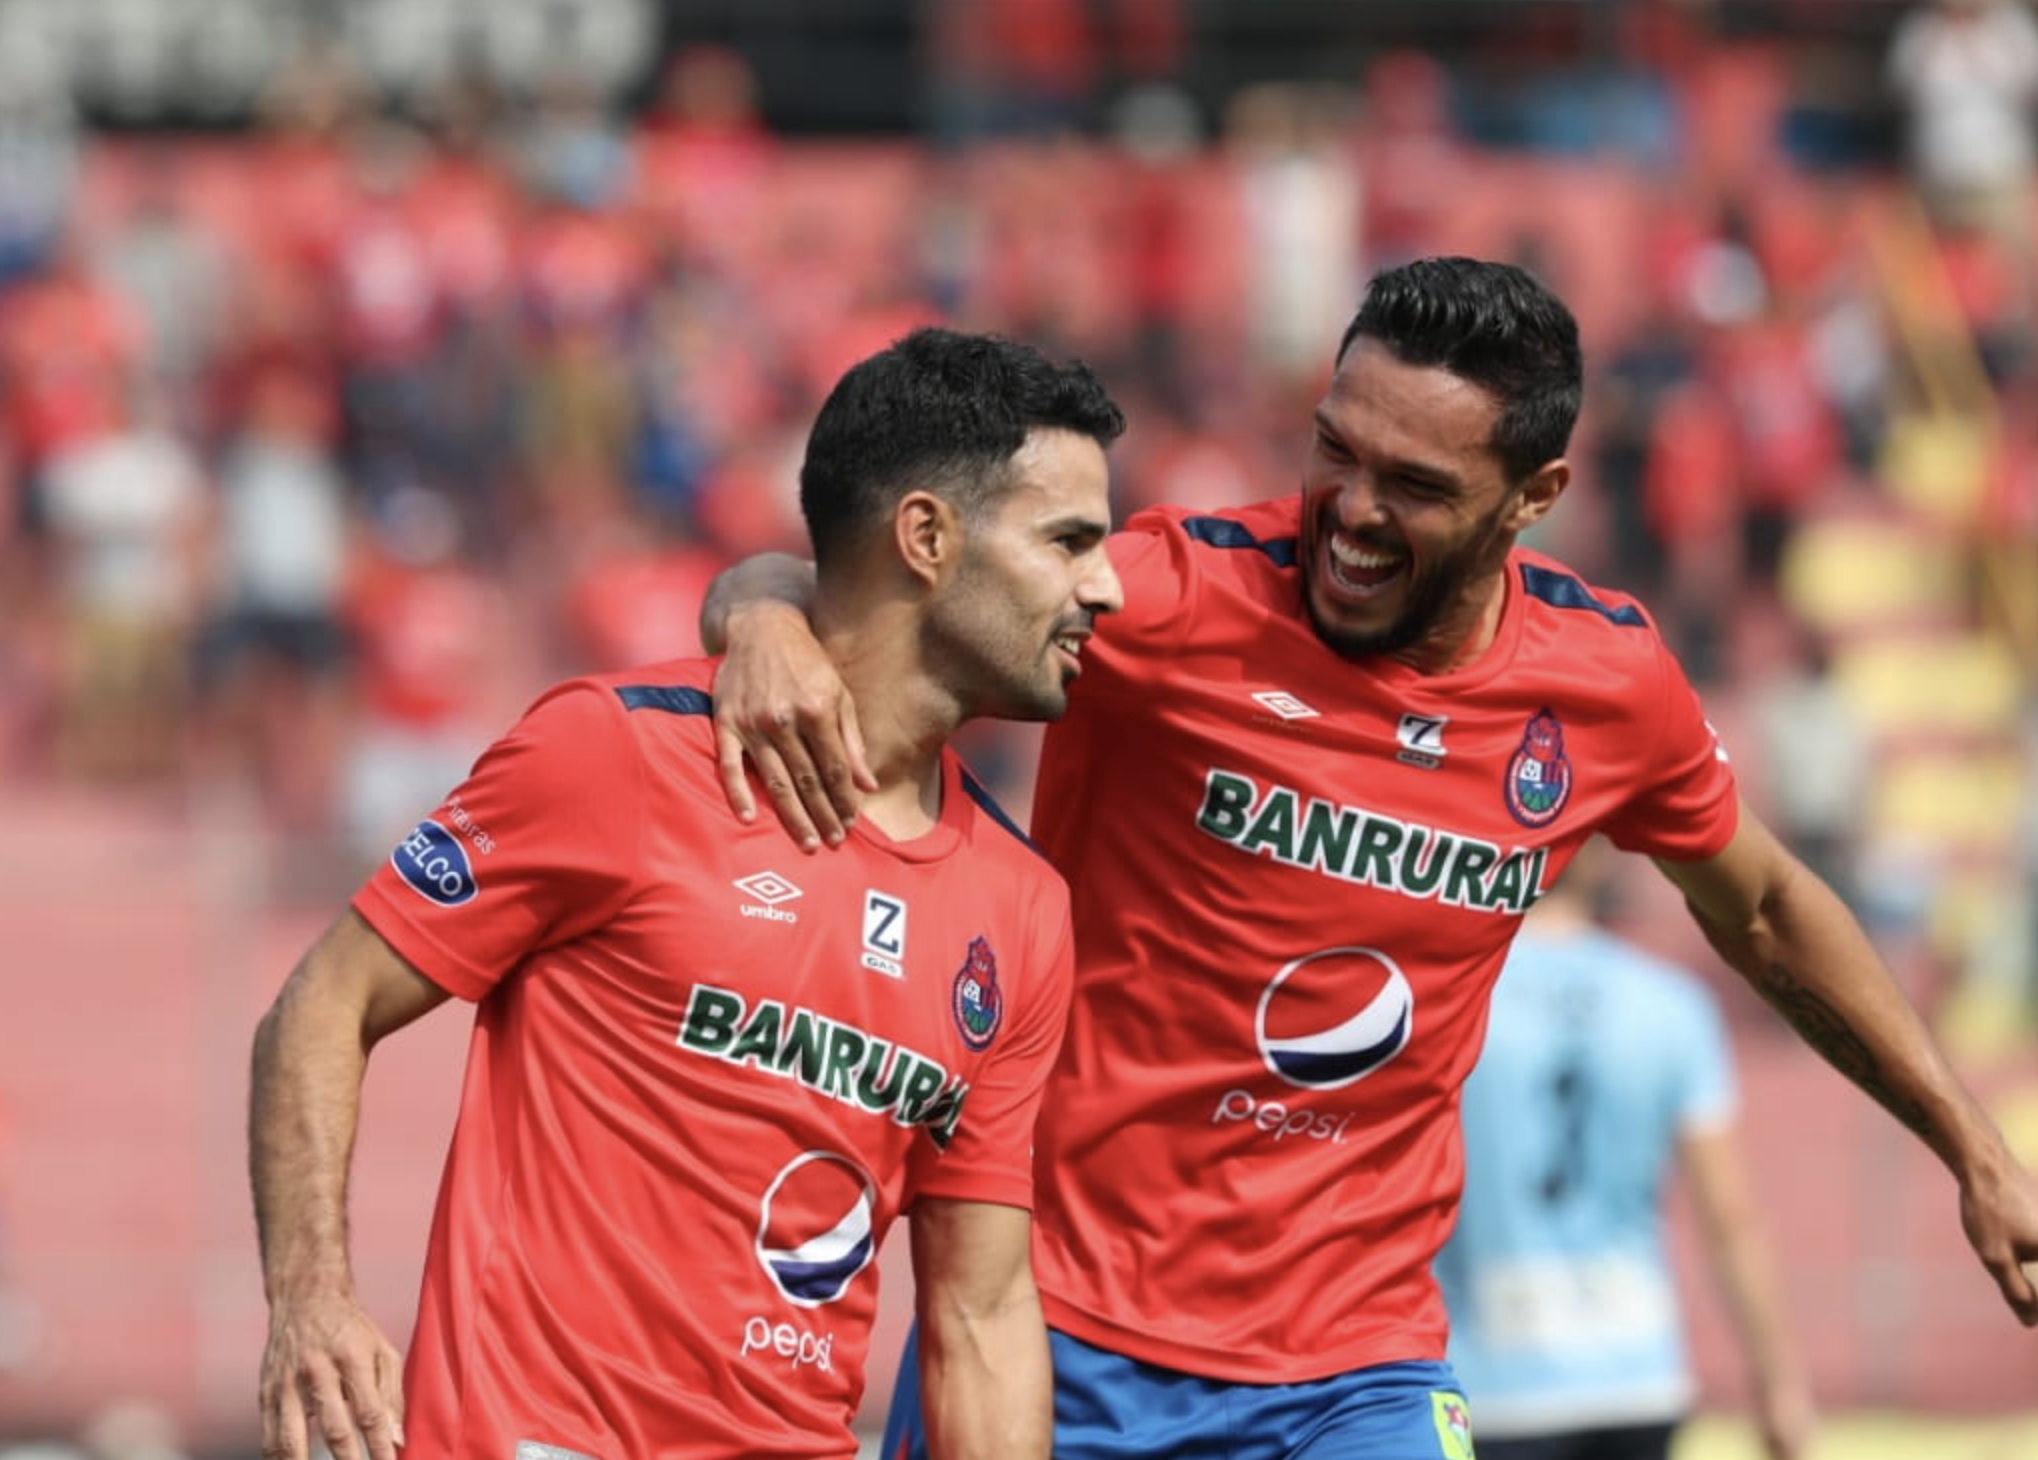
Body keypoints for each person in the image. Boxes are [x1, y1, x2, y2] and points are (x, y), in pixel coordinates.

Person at [700, 256, 2038, 1460]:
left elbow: (1769, 909)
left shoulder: (1605, 687)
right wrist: (760, 611)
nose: (1348, 510)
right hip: (1058, 1334)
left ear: (1535, 497)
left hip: (1359, 1369)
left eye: (1416, 486)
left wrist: (1971, 1148)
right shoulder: (1164, 599)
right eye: (1334, 449)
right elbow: (866, 587)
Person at [247, 326, 1129, 1460]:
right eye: (1068, 541)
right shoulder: (617, 754)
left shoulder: (1023, 910)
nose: (1105, 586)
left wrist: (756, 602)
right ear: (925, 537)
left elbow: (982, 1313)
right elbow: (322, 1002)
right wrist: (312, 1296)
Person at [1434, 846, 1816, 1460]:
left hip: (1491, 1377)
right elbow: (1729, 1217)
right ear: (1601, 862)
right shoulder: (1671, 1003)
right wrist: (1778, 1383)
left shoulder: (1448, 1003)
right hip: (1637, 1373)